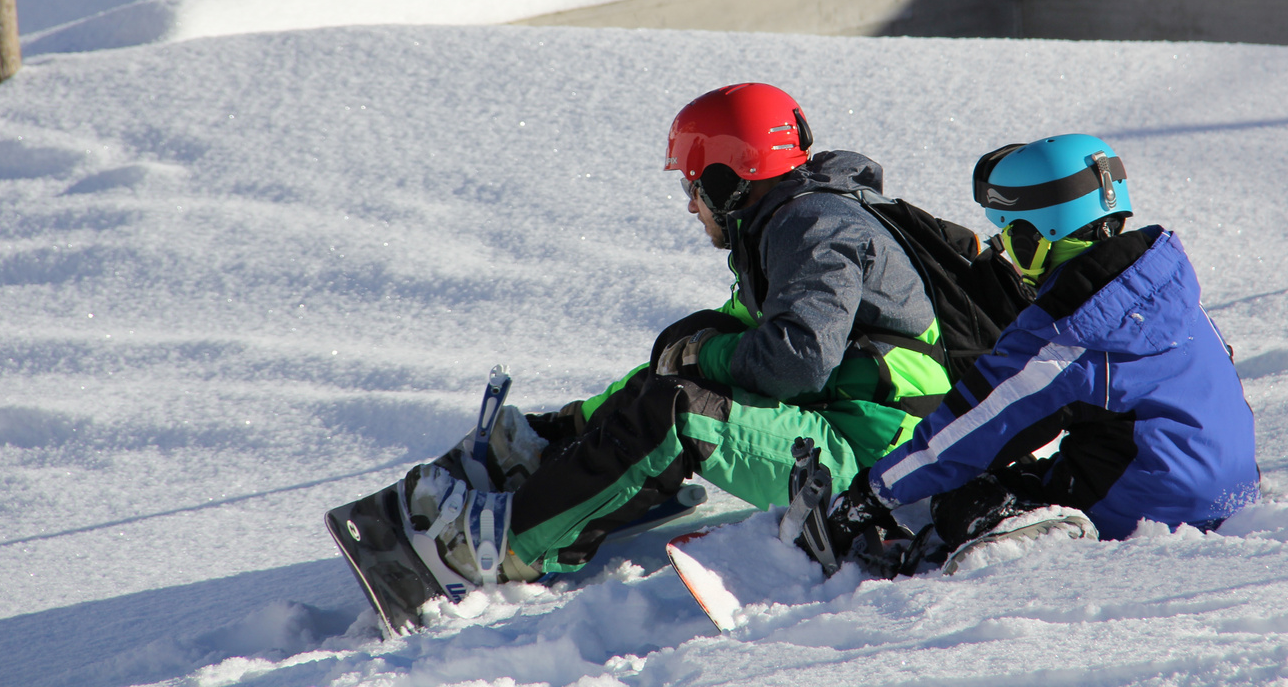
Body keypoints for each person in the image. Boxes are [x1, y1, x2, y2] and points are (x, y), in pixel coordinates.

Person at [333, 82, 961, 606]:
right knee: (680, 362)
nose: (691, 206)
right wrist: (573, 422)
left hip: (874, 465)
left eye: (695, 186)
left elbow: (794, 361)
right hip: (842, 429)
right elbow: (716, 351)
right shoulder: (792, 221)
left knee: (680, 411)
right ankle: (551, 461)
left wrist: (698, 358)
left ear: (730, 179)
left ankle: (494, 548)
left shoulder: (815, 228)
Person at [825, 134, 1260, 571]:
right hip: (1230, 489)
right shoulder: (1162, 280)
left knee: (966, 495)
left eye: (1012, 238)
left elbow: (971, 428)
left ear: (1040, 236)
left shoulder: (1071, 330)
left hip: (1148, 507)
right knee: (1031, 470)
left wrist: (870, 495)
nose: (1006, 255)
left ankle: (1052, 544)